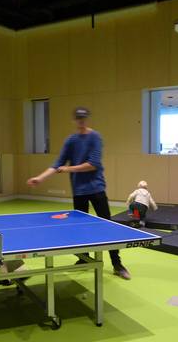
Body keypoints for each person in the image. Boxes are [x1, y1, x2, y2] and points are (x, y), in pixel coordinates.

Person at [27, 107, 131, 280]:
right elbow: (57, 164)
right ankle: (84, 259)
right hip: (79, 191)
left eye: (83, 118)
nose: (81, 121)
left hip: (97, 189)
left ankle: (117, 264)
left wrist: (68, 168)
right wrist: (40, 178)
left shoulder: (95, 137)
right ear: (74, 120)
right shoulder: (71, 140)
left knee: (108, 227)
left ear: (87, 119)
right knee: (80, 229)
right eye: (78, 118)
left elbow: (93, 163)